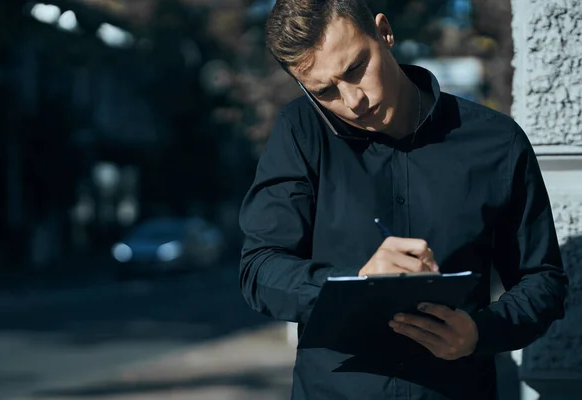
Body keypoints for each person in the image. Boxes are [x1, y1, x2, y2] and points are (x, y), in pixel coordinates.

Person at [238, 1, 568, 399]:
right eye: (324, 91)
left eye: (356, 68)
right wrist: (353, 284)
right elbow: (259, 270)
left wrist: (482, 332)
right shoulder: (299, 132)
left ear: (385, 32)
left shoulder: (498, 141)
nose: (353, 100)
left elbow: (542, 279)